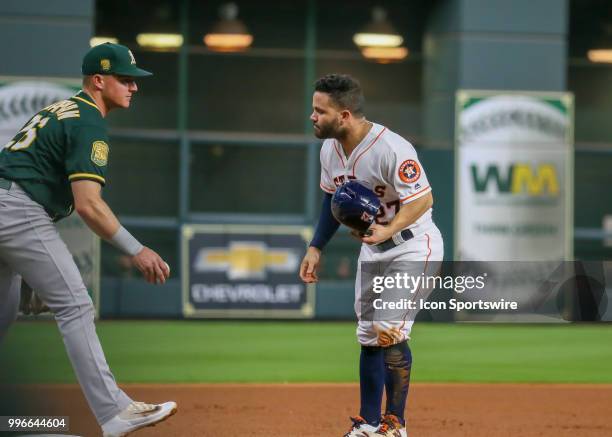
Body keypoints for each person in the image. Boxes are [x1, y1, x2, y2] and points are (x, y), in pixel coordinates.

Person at [0, 43, 177, 437]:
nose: (134, 87)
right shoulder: (87, 120)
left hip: (9, 205)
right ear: (99, 80)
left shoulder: (62, 110)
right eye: (125, 79)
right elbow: (88, 206)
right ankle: (115, 412)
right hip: (15, 208)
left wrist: (29, 271)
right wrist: (138, 250)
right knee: (76, 306)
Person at [299, 74, 444, 437]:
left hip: (414, 244)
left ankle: (395, 425)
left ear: (345, 115)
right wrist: (317, 246)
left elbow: (424, 199)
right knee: (368, 334)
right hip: (373, 248)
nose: (312, 116)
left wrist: (389, 229)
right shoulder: (329, 150)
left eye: (320, 111)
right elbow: (330, 199)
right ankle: (369, 423)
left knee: (388, 330)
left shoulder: (391, 148)